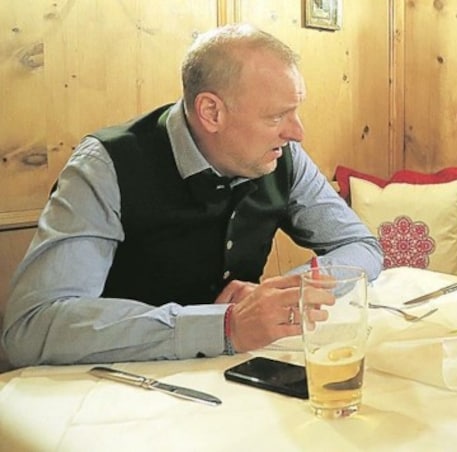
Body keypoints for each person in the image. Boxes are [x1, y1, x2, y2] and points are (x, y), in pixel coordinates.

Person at [1, 24, 383, 368]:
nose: (297, 132)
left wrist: (289, 293)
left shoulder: (283, 157)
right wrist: (224, 326)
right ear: (211, 112)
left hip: (229, 380)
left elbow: (362, 246)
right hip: (114, 391)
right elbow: (32, 327)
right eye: (276, 117)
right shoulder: (105, 166)